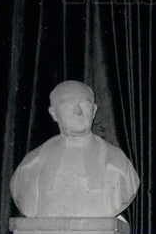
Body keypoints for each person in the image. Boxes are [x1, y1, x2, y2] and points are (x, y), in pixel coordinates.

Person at [9, 80, 140, 218]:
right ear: (53, 113)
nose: (78, 112)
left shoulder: (118, 162)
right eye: (67, 105)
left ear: (94, 110)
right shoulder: (30, 165)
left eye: (85, 105)